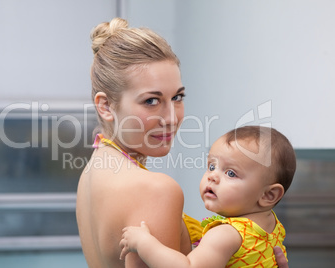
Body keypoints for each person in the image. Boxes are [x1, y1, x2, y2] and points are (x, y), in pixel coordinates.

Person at [76, 17, 289, 268]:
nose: (171, 117)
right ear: (106, 106)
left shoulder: (91, 174)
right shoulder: (157, 190)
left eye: (177, 97)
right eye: (151, 101)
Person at [119, 126, 296, 268]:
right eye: (211, 166)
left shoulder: (225, 234)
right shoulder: (271, 225)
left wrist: (144, 243)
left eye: (231, 173)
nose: (212, 176)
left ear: (268, 195)